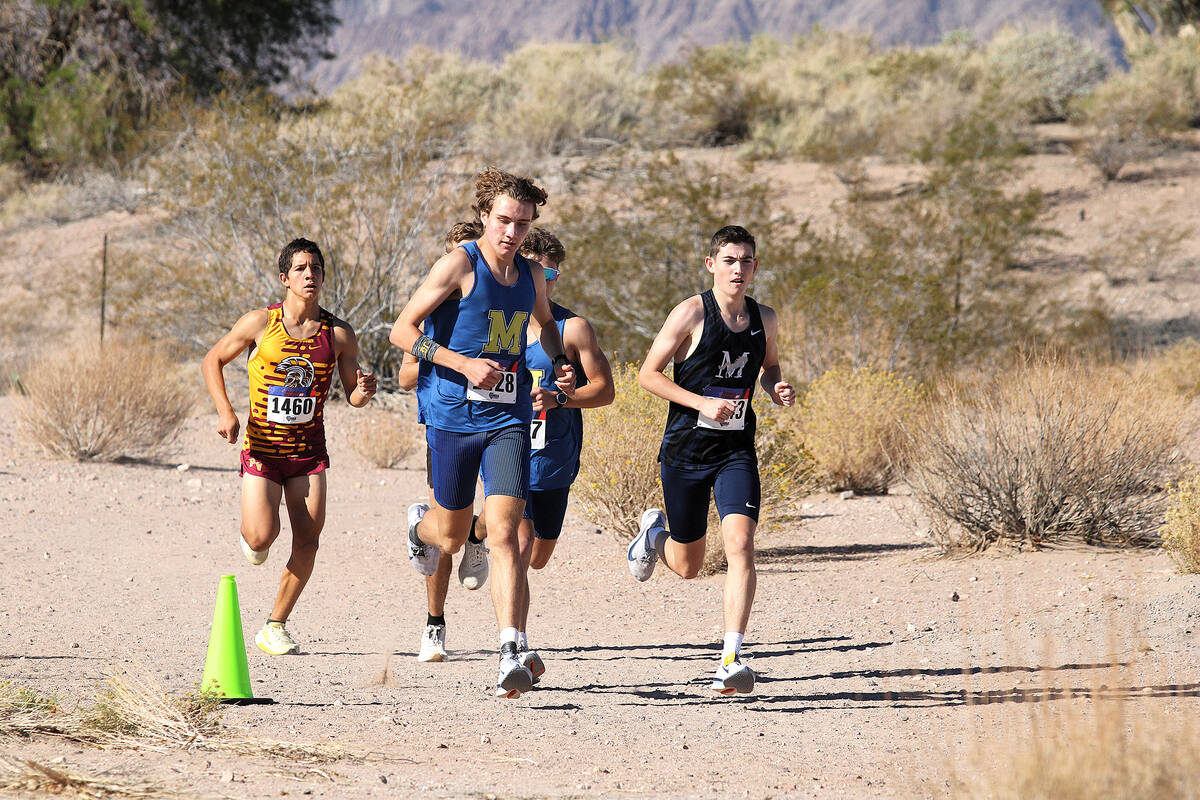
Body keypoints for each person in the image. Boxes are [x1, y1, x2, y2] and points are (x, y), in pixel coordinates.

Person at [389, 168, 574, 698]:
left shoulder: (532, 275)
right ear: (485, 216)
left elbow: (545, 323)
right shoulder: (460, 265)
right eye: (504, 220)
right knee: (449, 537)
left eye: (523, 223)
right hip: (451, 415)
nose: (512, 232)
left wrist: (559, 361)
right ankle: (420, 528)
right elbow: (401, 330)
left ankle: (510, 650)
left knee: (506, 533)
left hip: (508, 418)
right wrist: (464, 364)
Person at [625, 225, 794, 695]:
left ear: (755, 266)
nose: (738, 269)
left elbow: (769, 366)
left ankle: (731, 659)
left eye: (746, 261)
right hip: (686, 450)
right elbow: (647, 375)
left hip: (734, 450)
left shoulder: (765, 318)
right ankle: (653, 535)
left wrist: (775, 387)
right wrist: (700, 402)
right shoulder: (691, 313)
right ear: (711, 265)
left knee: (741, 545)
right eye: (729, 260)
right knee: (688, 565)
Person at [202, 237, 377, 655]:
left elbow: (352, 394)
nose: (309, 275)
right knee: (262, 537)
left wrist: (364, 391)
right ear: (285, 278)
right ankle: (255, 538)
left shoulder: (338, 334)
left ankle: (275, 625)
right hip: (263, 451)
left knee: (309, 540)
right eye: (300, 268)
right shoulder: (261, 323)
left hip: (308, 454)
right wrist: (226, 412)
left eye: (315, 268)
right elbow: (212, 360)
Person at [475, 226, 614, 681]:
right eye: (536, 272)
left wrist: (560, 399)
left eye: (550, 274)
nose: (543, 282)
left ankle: (476, 531)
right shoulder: (499, 324)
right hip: (506, 446)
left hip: (554, 458)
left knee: (537, 555)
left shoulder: (573, 329)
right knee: (518, 544)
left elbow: (605, 391)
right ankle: (514, 648)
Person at [396, 220, 491, 664]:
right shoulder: (429, 311)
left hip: (499, 421)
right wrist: (454, 361)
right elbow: (405, 376)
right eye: (456, 256)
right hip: (447, 422)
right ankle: (435, 623)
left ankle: (476, 532)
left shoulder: (497, 304)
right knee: (446, 539)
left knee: (509, 516)